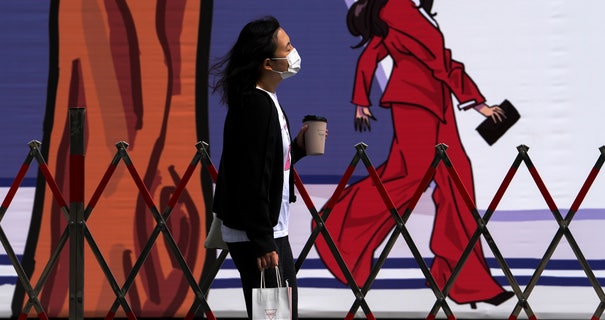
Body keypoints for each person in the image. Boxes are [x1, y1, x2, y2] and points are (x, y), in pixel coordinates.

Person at [314, 0, 514, 308]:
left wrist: (362, 100)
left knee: (458, 181)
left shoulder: (405, 9)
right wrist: (477, 103)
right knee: (408, 178)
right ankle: (336, 229)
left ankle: (464, 279)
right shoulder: (397, 9)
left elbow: (374, 53)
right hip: (415, 105)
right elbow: (439, 62)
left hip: (439, 104)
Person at [210, 16, 308, 319]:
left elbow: (267, 163)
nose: (293, 53)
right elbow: (250, 177)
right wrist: (264, 240)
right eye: (287, 47)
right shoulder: (256, 106)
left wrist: (299, 148)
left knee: (275, 315)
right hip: (261, 236)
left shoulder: (263, 100)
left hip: (266, 231)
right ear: (268, 63)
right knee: (276, 316)